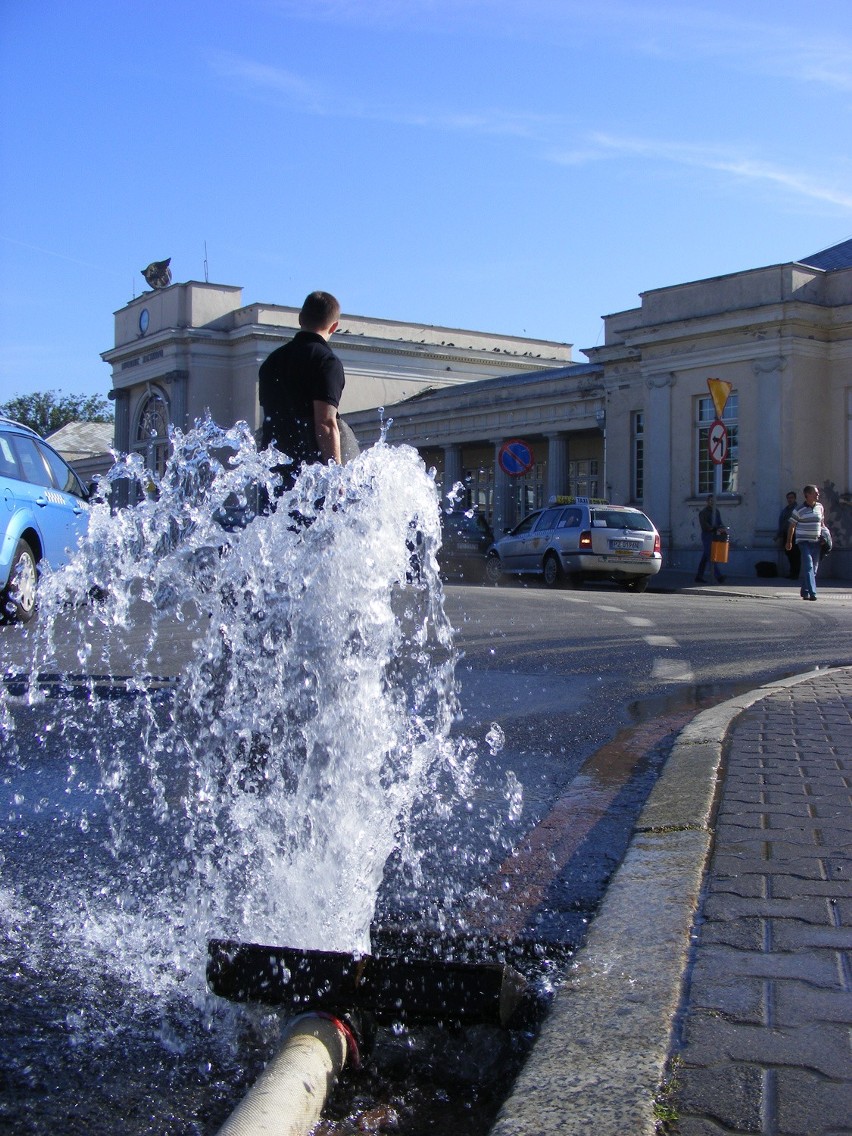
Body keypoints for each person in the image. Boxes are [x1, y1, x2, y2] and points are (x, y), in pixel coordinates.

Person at [258, 291, 345, 490]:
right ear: (334, 326)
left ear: (300, 319)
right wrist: (337, 476)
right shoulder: (327, 362)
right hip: (310, 479)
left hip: (273, 476)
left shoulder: (271, 362)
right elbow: (325, 423)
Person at [786, 484, 824, 601]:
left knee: (814, 569)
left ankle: (805, 590)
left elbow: (822, 524)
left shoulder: (820, 507)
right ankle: (813, 593)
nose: (818, 494)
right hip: (804, 542)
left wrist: (825, 536)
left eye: (817, 493)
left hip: (816, 542)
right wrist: (789, 542)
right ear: (807, 495)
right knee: (809, 566)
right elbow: (792, 526)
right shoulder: (799, 510)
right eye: (815, 493)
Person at [695, 494, 726, 584]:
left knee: (705, 557)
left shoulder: (716, 511)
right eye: (710, 501)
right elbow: (704, 525)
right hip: (707, 535)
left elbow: (720, 523)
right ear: (707, 502)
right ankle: (719, 576)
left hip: (714, 536)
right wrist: (713, 528)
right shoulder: (704, 512)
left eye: (714, 501)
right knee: (711, 556)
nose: (712, 502)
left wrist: (722, 529)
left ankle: (699, 576)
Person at [776, 491, 800, 579]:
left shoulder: (797, 509)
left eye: (791, 498)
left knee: (795, 554)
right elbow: (782, 522)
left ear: (795, 498)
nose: (790, 499)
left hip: (795, 534)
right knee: (789, 553)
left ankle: (795, 573)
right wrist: (779, 534)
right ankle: (791, 572)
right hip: (786, 533)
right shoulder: (785, 510)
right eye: (788, 498)